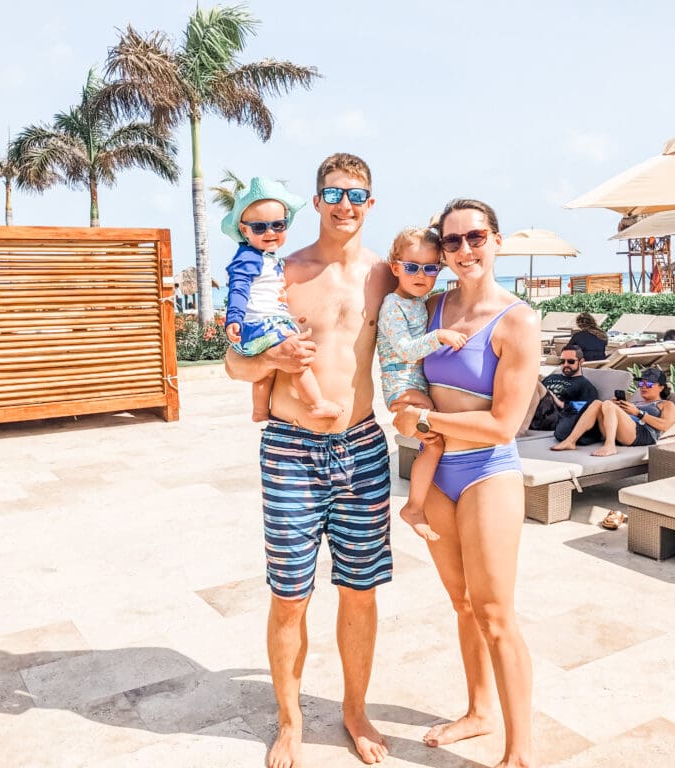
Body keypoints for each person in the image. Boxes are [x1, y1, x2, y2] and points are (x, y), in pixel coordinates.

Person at [224, 153, 396, 768]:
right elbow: (235, 362)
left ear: (371, 203)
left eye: (358, 194)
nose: (345, 204)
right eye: (334, 192)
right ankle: (290, 722)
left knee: (360, 592)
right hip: (292, 450)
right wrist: (275, 362)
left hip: (363, 446)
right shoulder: (281, 270)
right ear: (317, 200)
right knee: (290, 594)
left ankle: (353, 711)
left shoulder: (386, 274)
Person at [392, 199, 540, 768]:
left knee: (496, 612)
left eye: (474, 237)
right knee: (462, 604)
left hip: (486, 472)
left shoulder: (518, 319)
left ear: (497, 239)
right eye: (450, 242)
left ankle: (519, 752)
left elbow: (504, 422)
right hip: (438, 475)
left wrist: (425, 420)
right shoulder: (430, 306)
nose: (463, 251)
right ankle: (479, 712)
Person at [222, 176, 343, 422]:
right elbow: (238, 289)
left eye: (278, 225)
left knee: (265, 375)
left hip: (257, 326)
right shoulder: (248, 257)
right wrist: (233, 317)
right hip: (263, 324)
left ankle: (259, 411)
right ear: (244, 230)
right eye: (259, 227)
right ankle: (316, 403)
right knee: (298, 358)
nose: (270, 232)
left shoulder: (268, 259)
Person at [378, 226, 466, 542]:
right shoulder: (392, 304)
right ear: (396, 268)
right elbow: (405, 348)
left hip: (414, 385)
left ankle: (416, 504)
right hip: (402, 386)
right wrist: (439, 336)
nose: (421, 274)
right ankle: (414, 505)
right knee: (430, 433)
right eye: (412, 267)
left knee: (434, 443)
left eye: (431, 268)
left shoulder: (421, 301)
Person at [551, 366, 675, 457]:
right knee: (598, 403)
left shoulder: (665, 404)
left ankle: (610, 446)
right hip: (622, 432)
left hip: (643, 434)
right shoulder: (635, 402)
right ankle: (570, 441)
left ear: (661, 387)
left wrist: (638, 413)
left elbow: (666, 425)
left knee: (607, 405)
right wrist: (615, 406)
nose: (643, 387)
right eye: (641, 384)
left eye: (648, 384)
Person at [531, 346, 602, 442]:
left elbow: (586, 410)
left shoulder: (585, 385)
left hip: (555, 417)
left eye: (571, 361)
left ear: (581, 361)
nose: (565, 364)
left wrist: (557, 400)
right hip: (535, 410)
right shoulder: (552, 376)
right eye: (562, 361)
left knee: (533, 382)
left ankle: (521, 430)